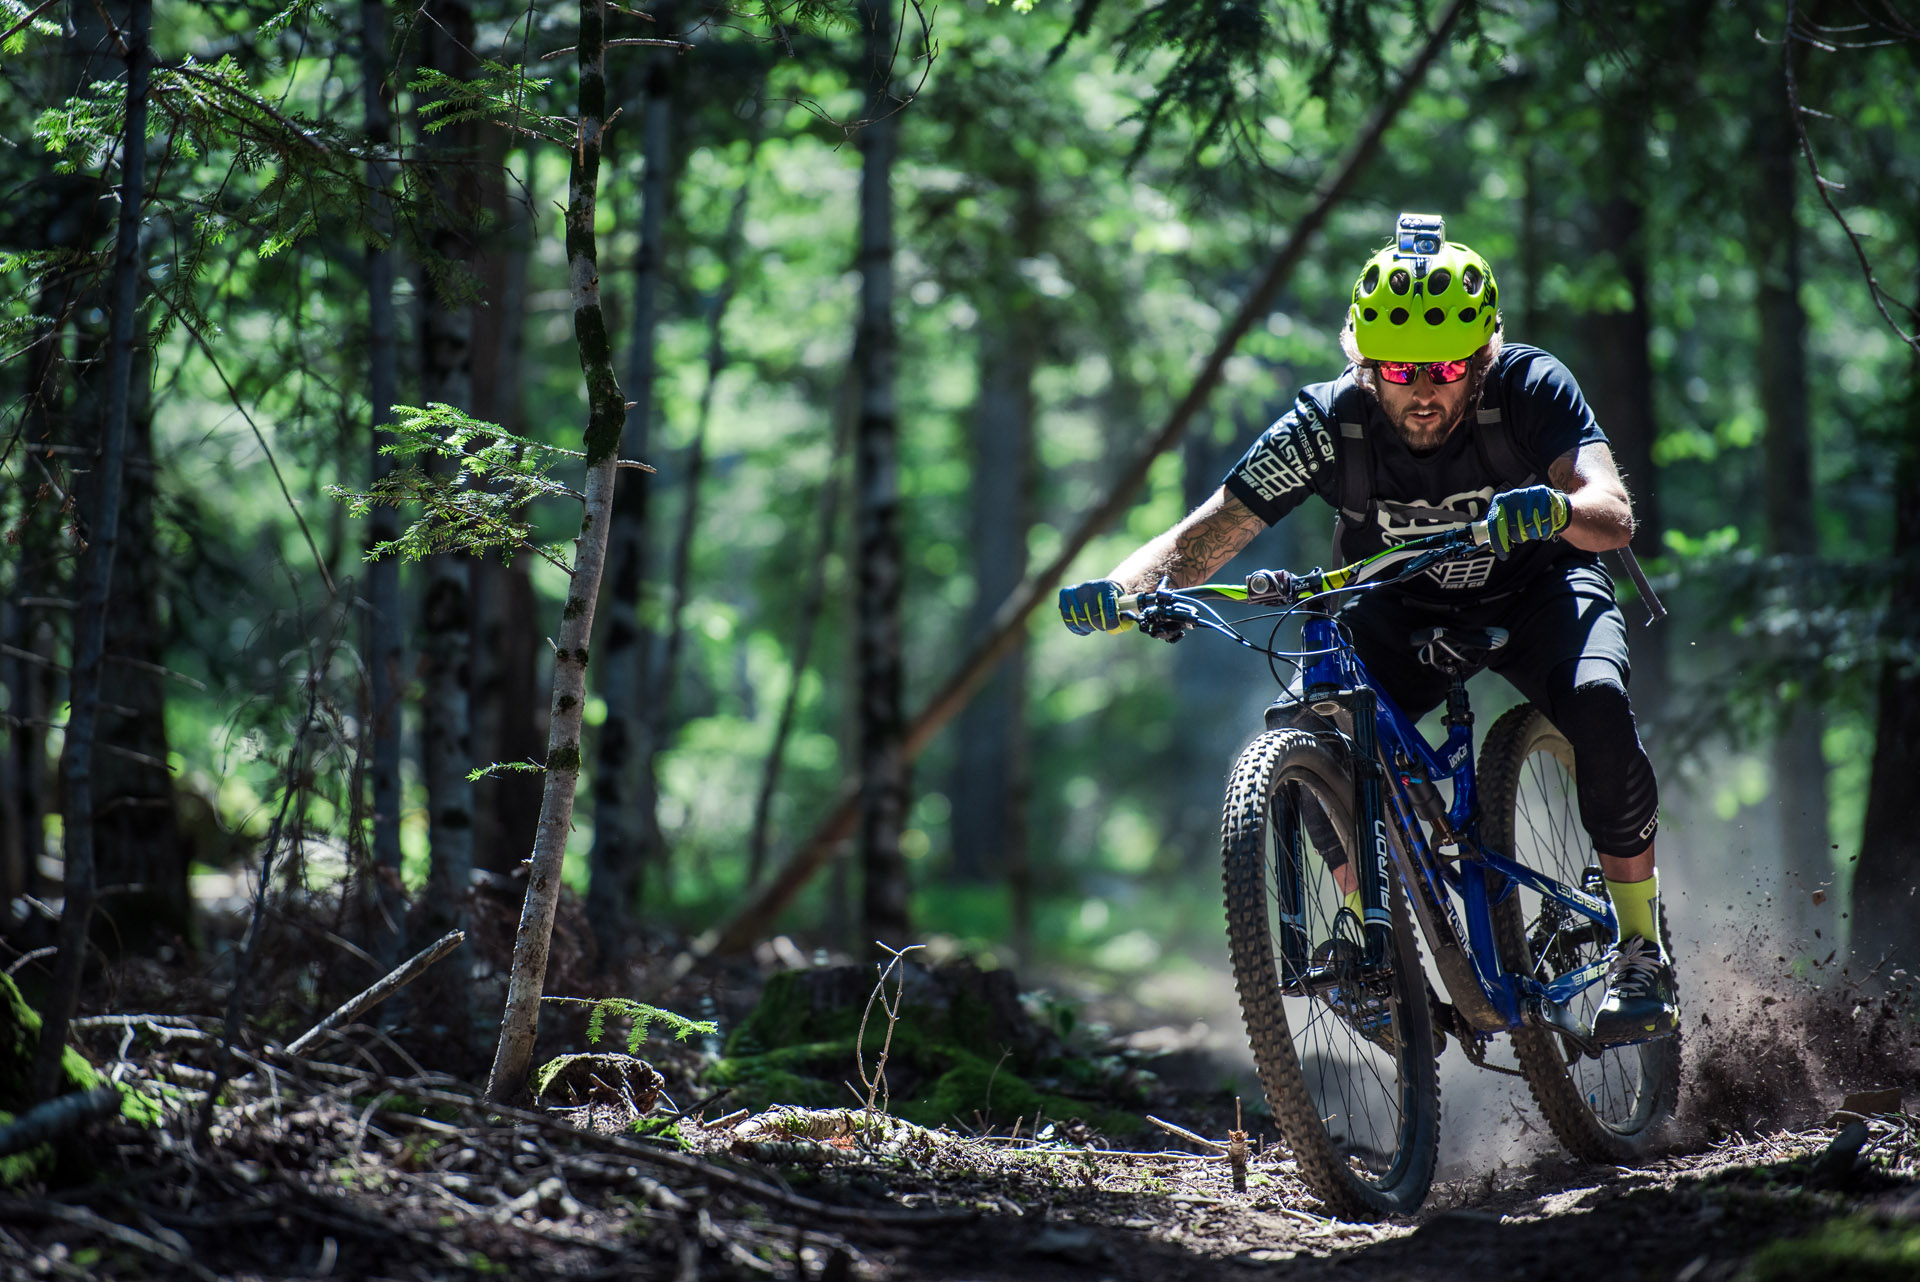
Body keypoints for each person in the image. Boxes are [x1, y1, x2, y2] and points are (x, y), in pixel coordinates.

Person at [1057, 215, 1677, 1045]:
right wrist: (1123, 589)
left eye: (1448, 368)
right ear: (1362, 362)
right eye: (1395, 371)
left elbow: (1612, 514)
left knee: (1597, 703)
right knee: (1321, 733)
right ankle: (1375, 939)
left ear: (1483, 359)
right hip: (1404, 606)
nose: (1422, 390)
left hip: (1539, 591)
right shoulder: (1327, 425)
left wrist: (1560, 507)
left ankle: (1640, 944)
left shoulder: (1531, 388)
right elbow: (1204, 535)